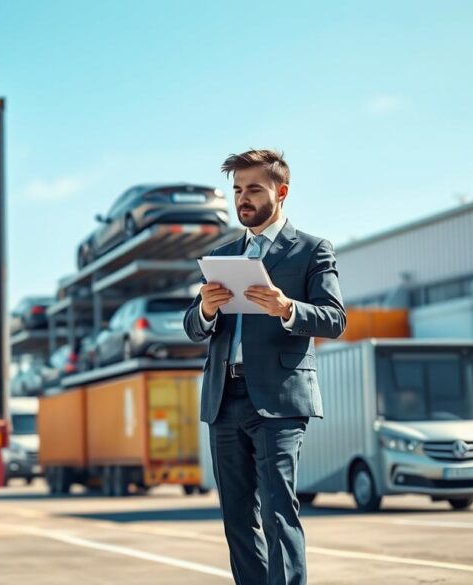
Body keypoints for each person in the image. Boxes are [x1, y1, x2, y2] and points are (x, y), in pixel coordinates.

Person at [183, 149, 346, 585]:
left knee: (278, 512)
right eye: (237, 190)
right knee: (237, 519)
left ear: (282, 191)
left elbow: (335, 319)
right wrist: (206, 309)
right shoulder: (222, 254)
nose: (244, 199)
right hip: (223, 399)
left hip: (279, 400)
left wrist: (288, 307)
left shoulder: (311, 250)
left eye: (254, 188)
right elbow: (193, 327)